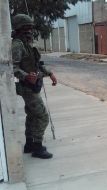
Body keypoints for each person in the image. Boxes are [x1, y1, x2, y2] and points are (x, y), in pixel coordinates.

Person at [12, 14, 57, 159]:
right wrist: (25, 76)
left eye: (31, 27)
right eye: (28, 27)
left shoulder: (28, 43)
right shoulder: (17, 45)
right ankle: (37, 147)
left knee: (31, 116)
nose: (31, 30)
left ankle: (29, 144)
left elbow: (37, 64)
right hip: (27, 88)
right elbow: (12, 67)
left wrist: (49, 73)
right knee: (42, 116)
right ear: (20, 28)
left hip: (34, 85)